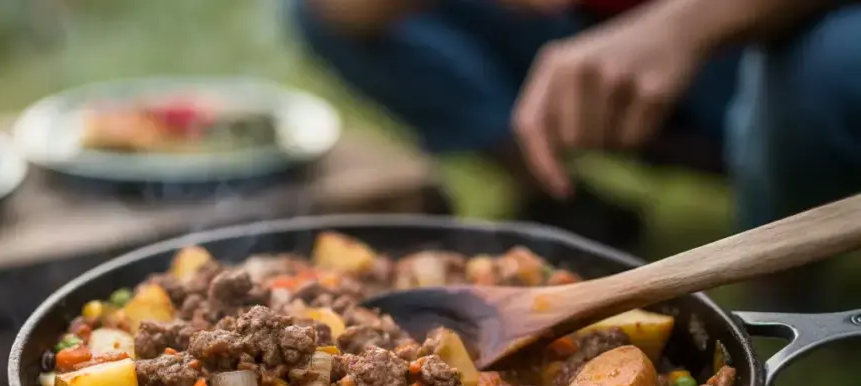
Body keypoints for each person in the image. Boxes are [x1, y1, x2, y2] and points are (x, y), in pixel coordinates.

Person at [291, 0, 861, 242]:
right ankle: (564, 199)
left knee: (828, 64)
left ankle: (787, 259)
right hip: (576, 30)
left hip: (764, 39)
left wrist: (680, 27)